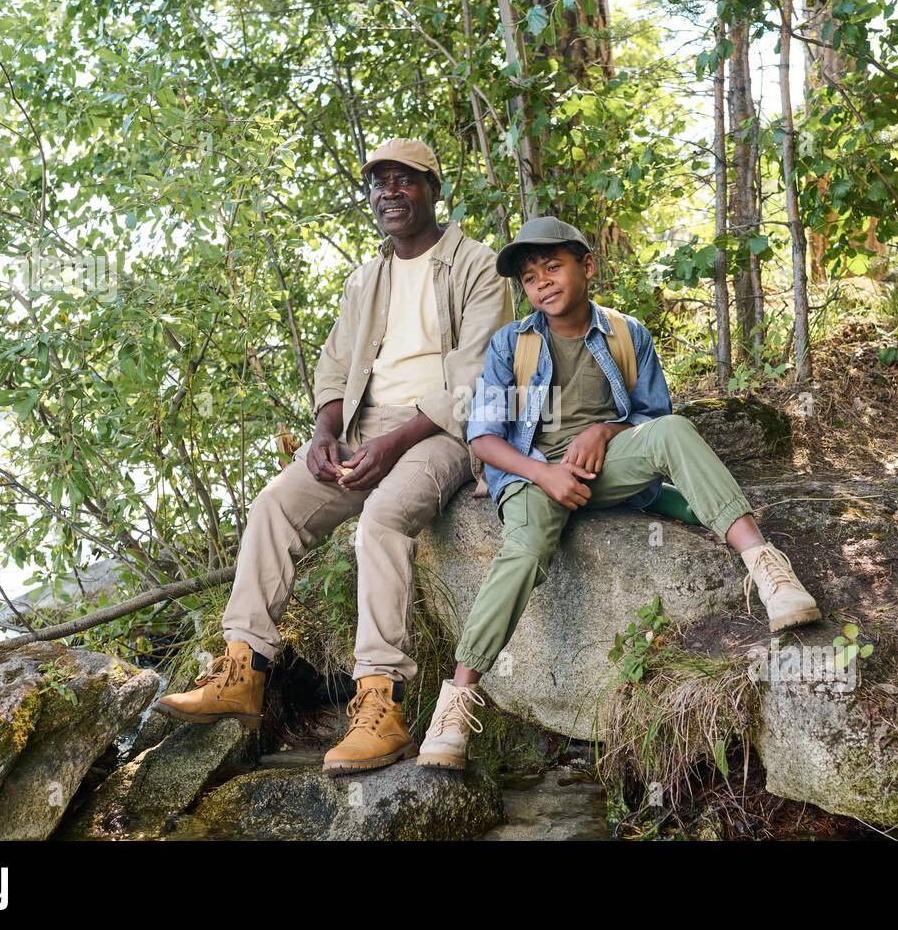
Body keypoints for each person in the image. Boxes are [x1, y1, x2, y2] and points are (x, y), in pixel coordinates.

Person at [153, 138, 513, 775]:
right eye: (379, 183)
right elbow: (336, 367)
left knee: (382, 519)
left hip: (446, 430)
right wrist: (325, 435)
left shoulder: (476, 265)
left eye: (404, 180)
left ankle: (381, 703)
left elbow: (477, 372)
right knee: (275, 505)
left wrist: (392, 444)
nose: (389, 193)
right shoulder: (366, 277)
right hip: (361, 429)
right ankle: (243, 669)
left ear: (434, 190)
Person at [415, 216, 820, 771]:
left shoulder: (627, 333)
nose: (543, 282)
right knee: (526, 550)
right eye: (531, 277)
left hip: (605, 467)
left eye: (553, 266)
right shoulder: (513, 343)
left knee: (676, 433)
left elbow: (655, 420)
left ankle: (769, 571)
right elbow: (484, 437)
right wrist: (544, 475)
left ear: (587, 266)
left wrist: (605, 429)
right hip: (534, 475)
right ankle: (458, 702)